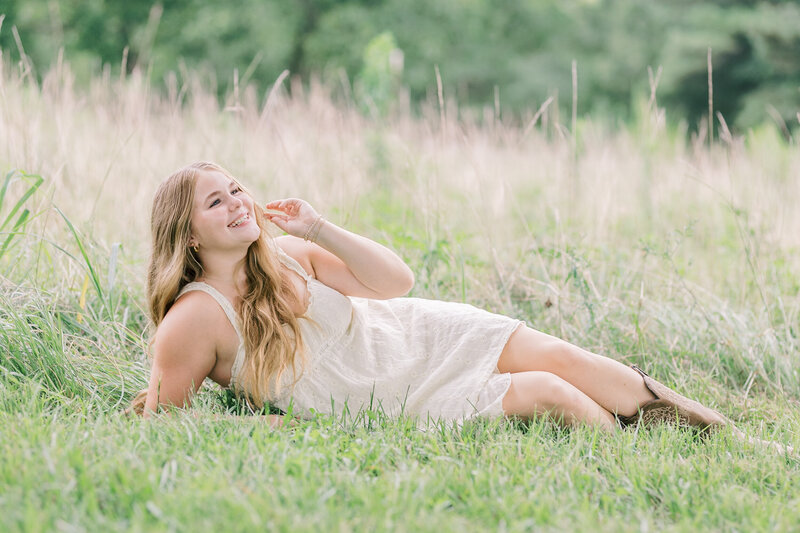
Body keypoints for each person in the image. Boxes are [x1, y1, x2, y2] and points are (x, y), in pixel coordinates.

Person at [128, 161, 793, 453]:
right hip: (385, 395)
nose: (239, 202)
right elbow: (164, 419)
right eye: (216, 202)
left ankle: (719, 436)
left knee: (564, 355)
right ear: (187, 232)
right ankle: (634, 447)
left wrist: (318, 227)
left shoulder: (288, 256)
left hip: (413, 332)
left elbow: (394, 282)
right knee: (546, 391)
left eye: (237, 188)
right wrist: (264, 425)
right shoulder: (195, 317)